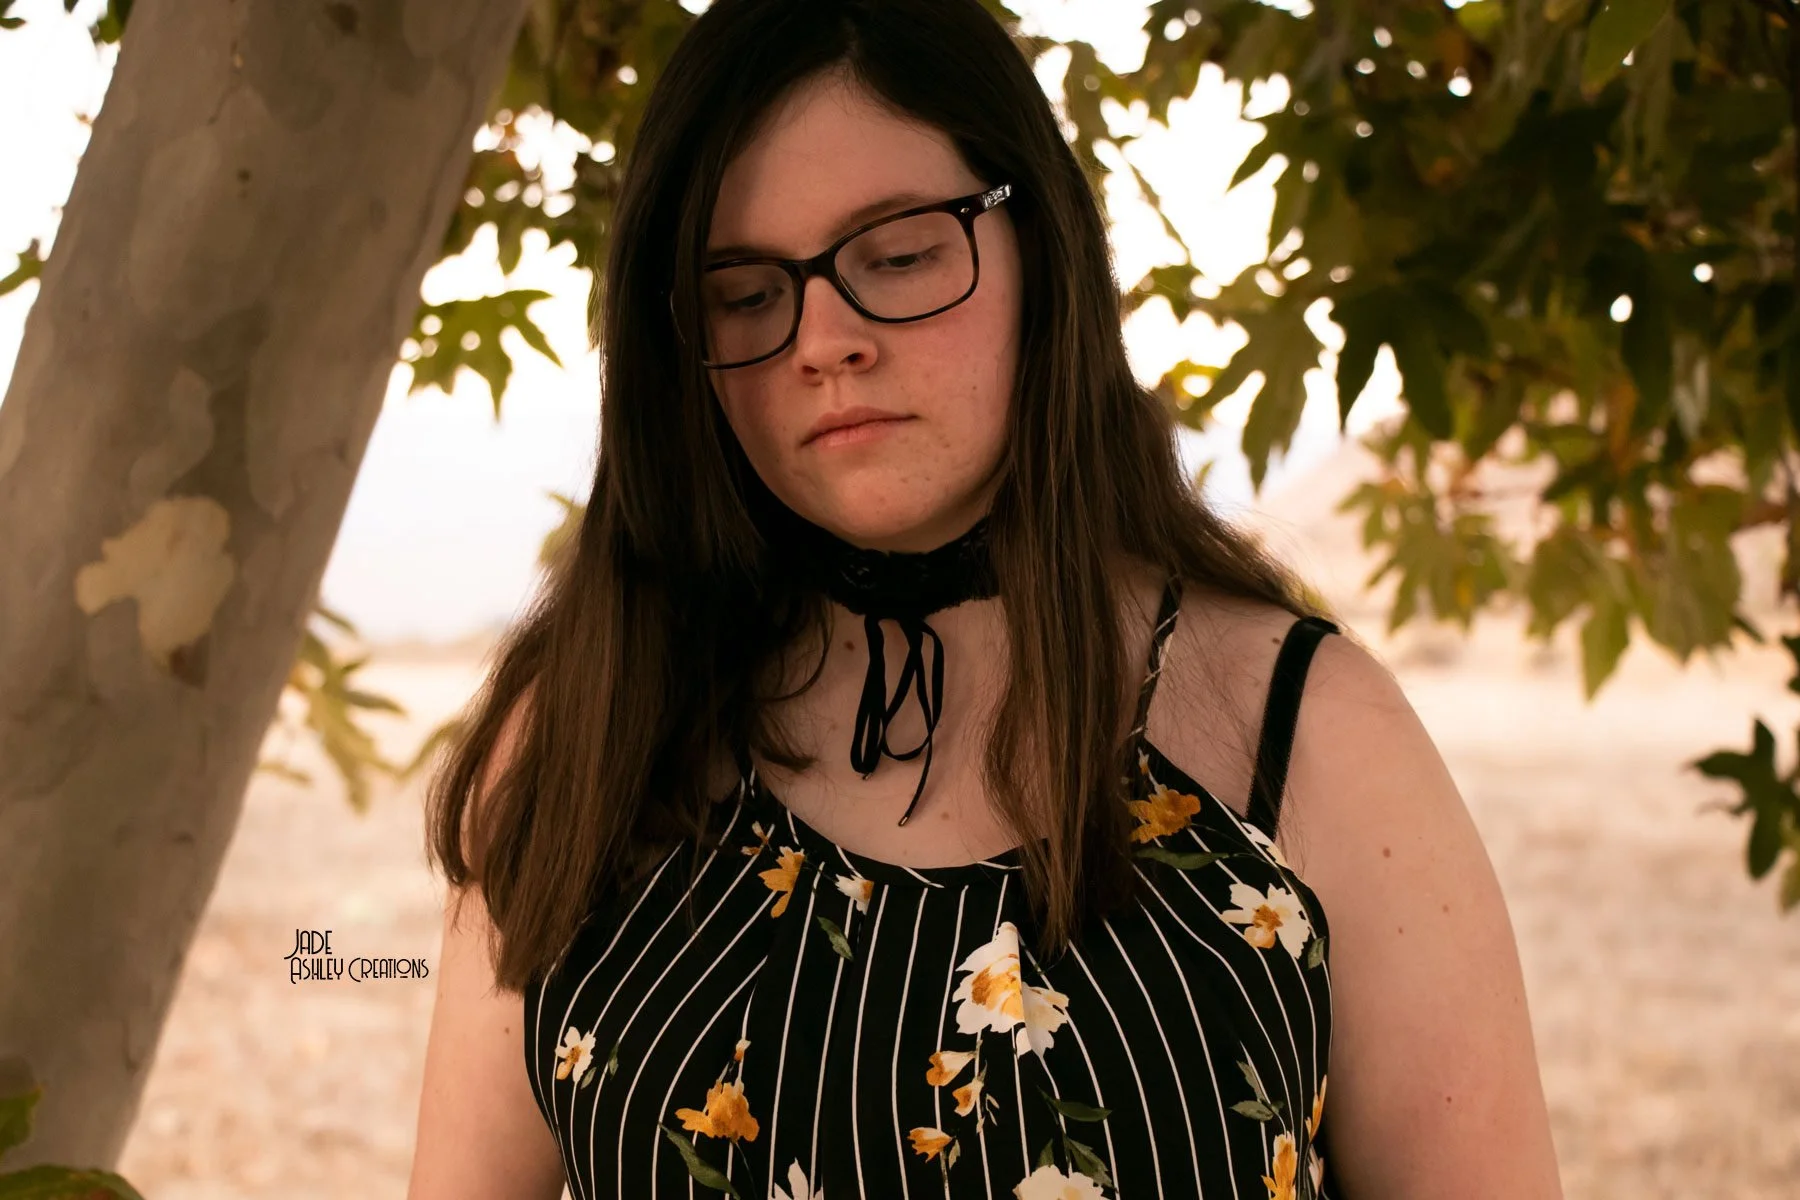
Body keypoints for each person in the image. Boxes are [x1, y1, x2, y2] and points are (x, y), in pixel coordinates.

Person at [406, 1, 1563, 1197]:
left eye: (899, 255)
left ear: (1042, 252)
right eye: (746, 294)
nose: (823, 339)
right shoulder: (590, 733)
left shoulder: (1303, 732)